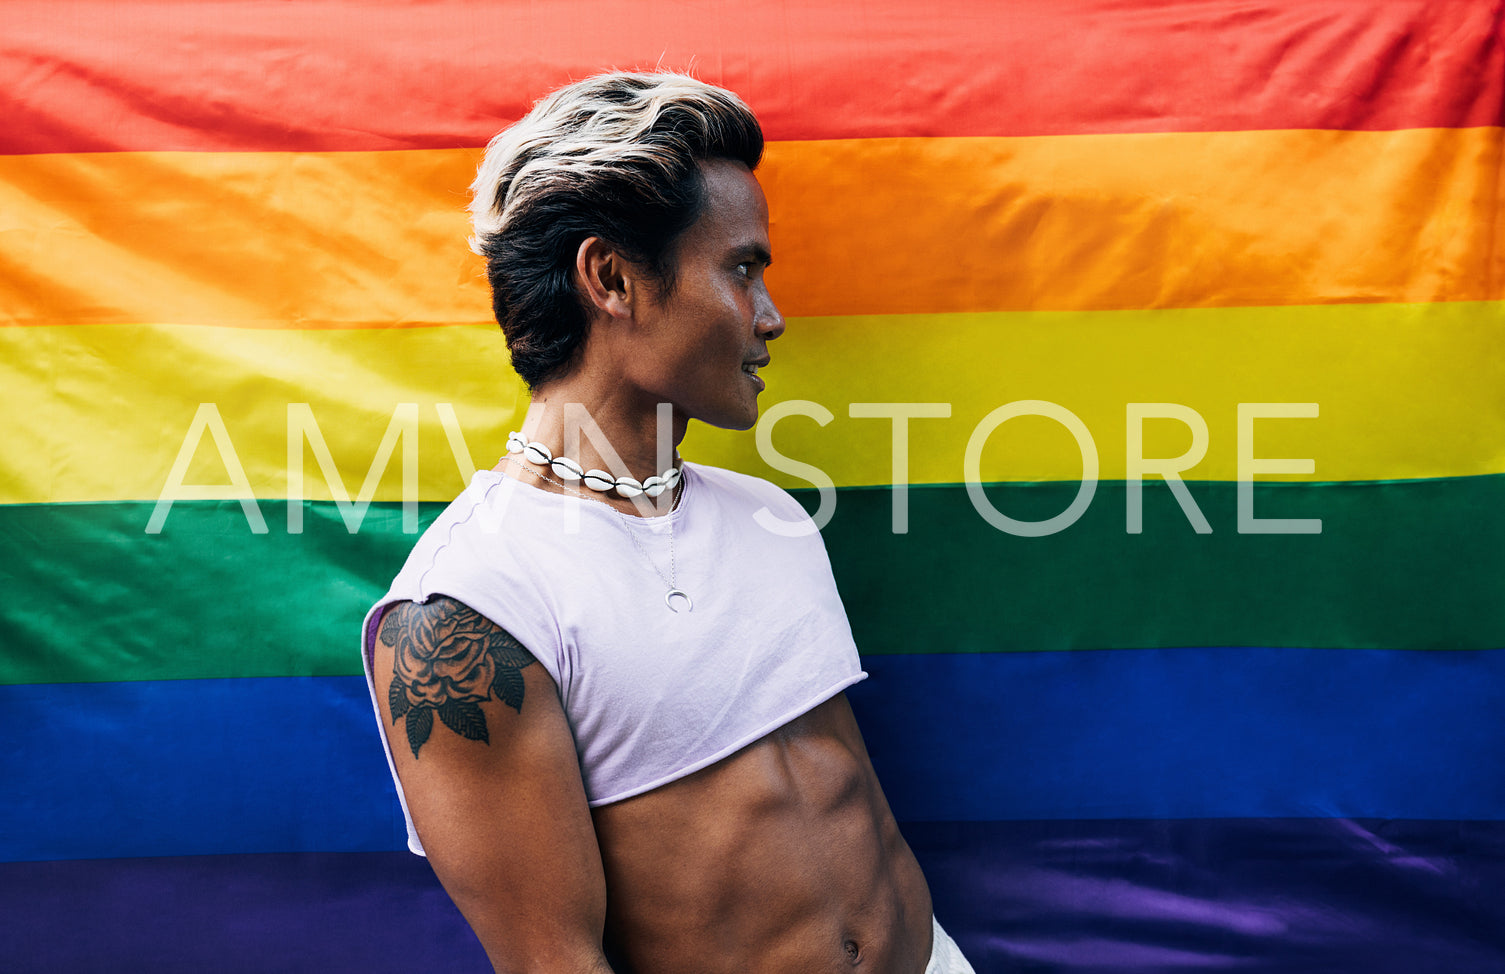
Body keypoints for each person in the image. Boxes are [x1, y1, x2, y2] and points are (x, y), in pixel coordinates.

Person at [360, 71, 976, 974]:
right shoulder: (467, 608)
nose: (770, 317)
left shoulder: (770, 517)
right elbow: (552, 960)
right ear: (611, 278)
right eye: (741, 268)